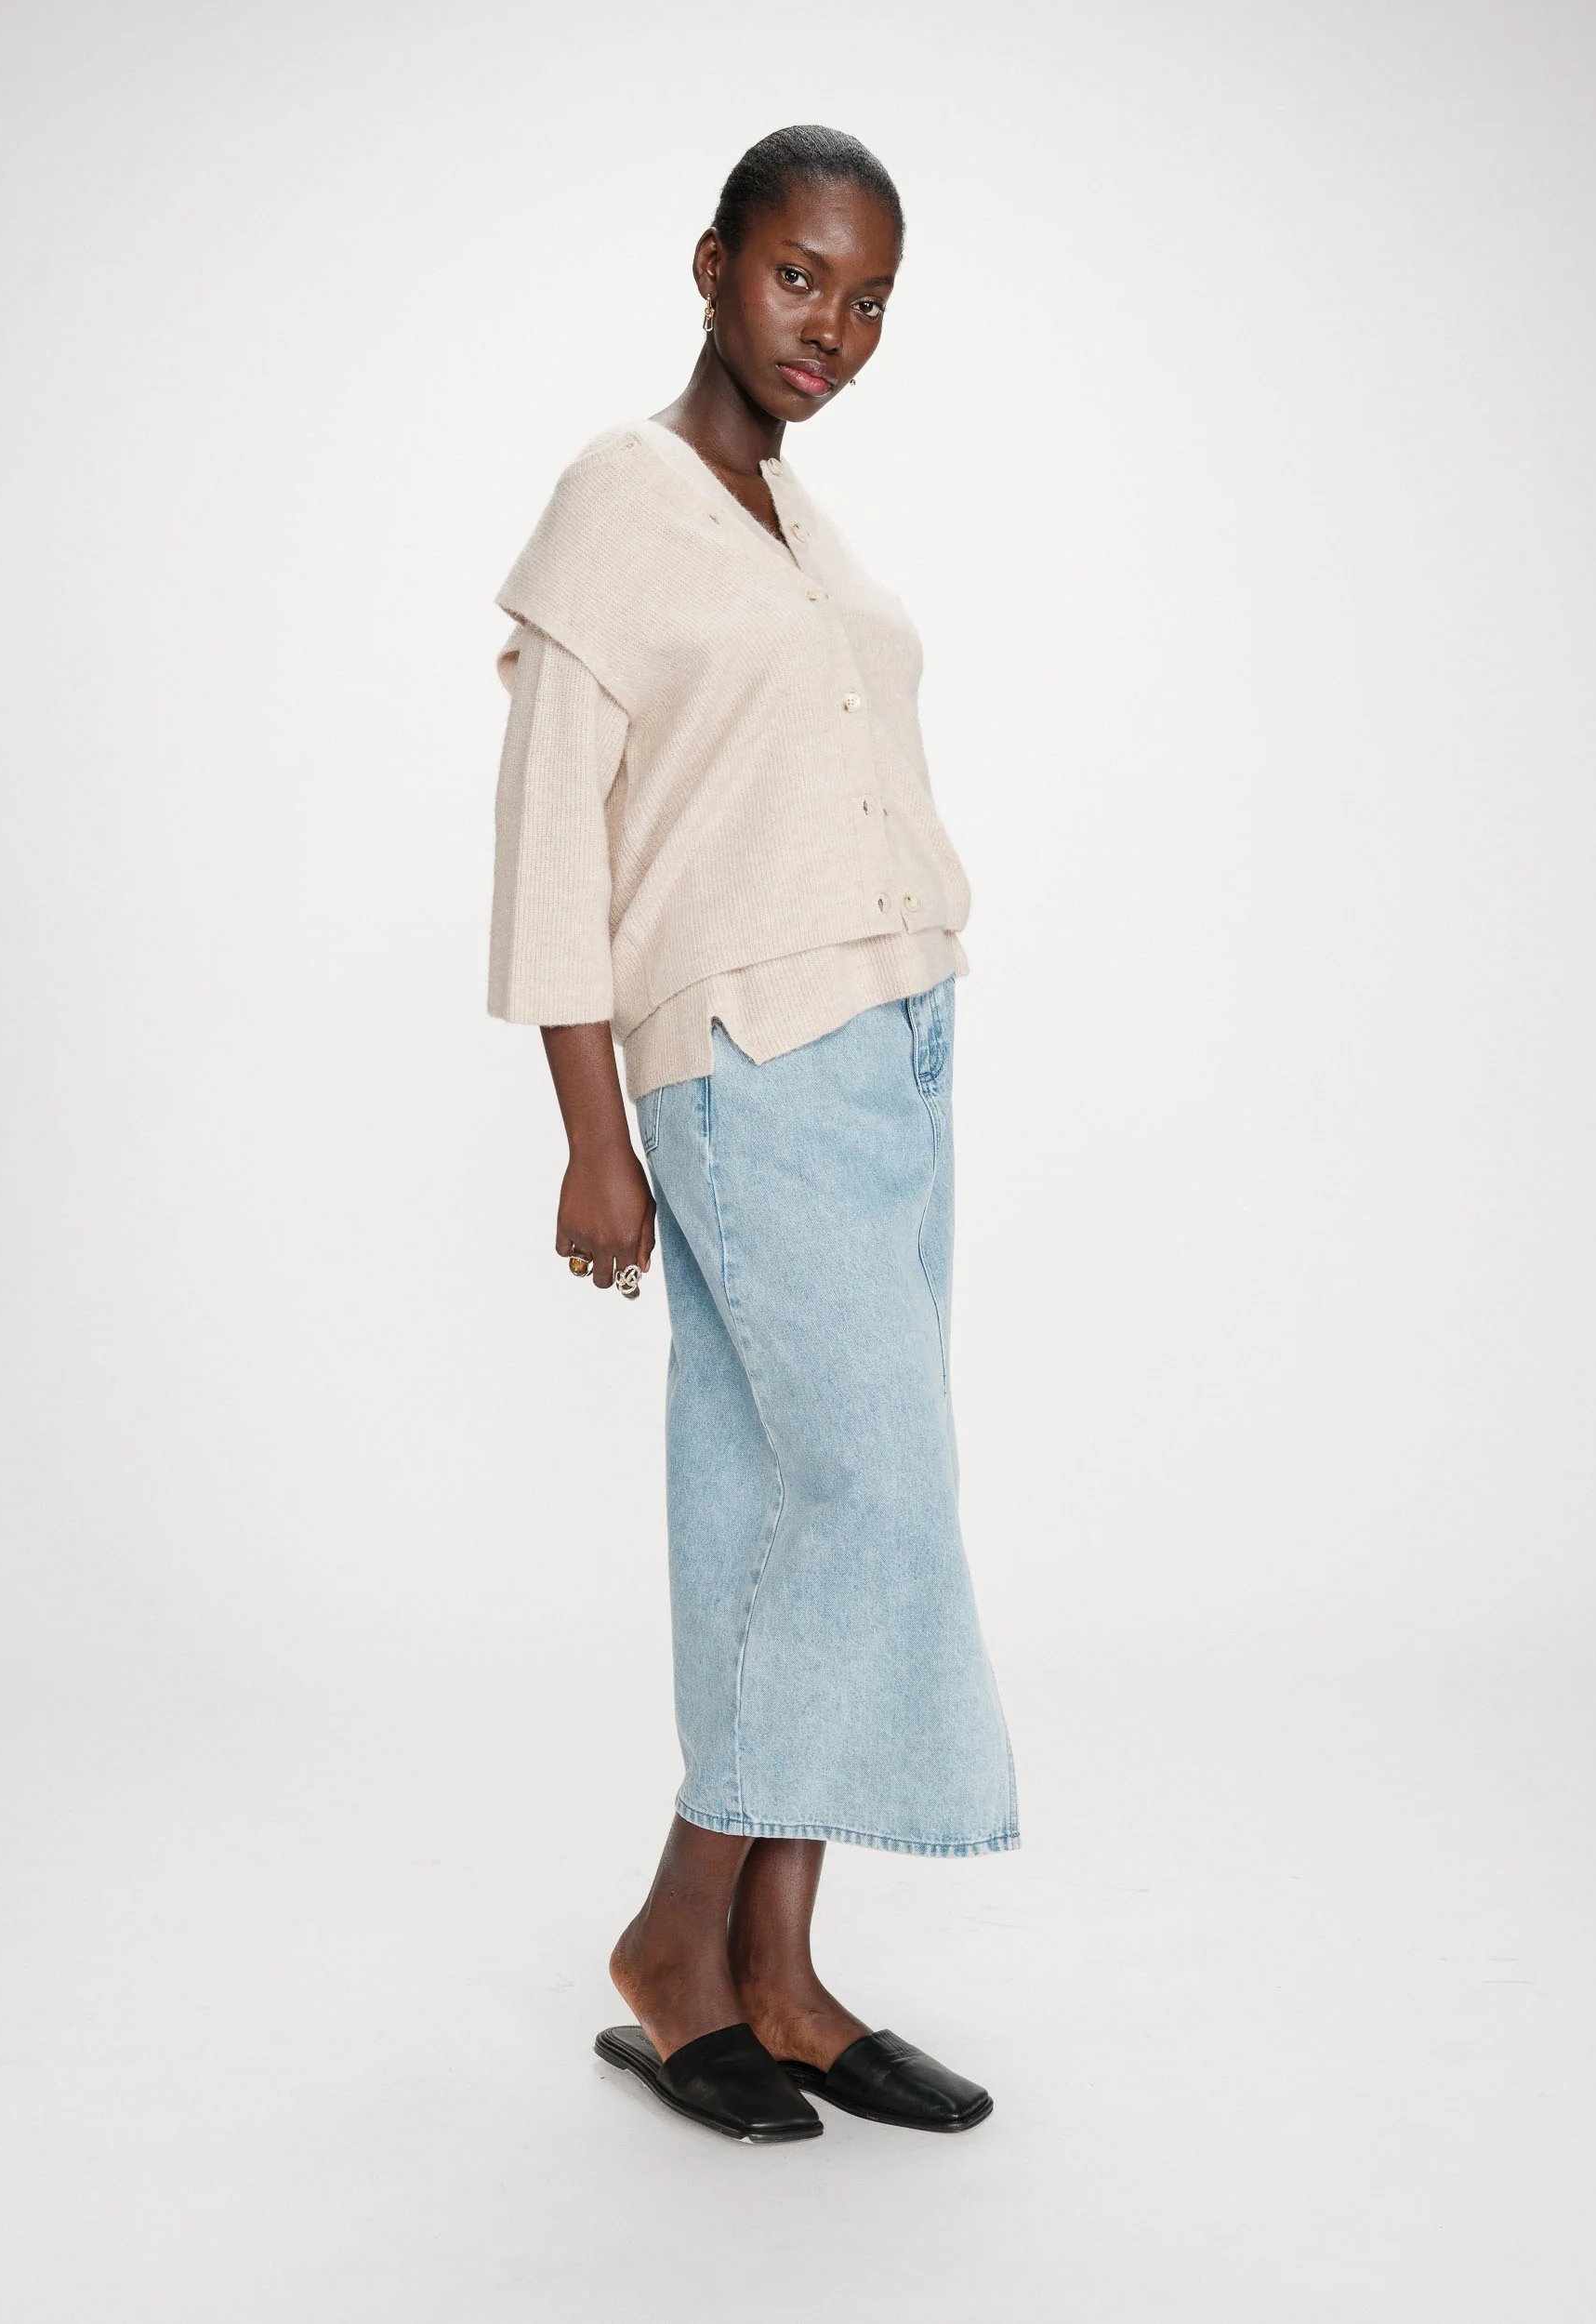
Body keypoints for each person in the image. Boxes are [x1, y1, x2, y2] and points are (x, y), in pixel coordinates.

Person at [486, 125, 1019, 2146]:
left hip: (898, 1043)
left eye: (869, 301)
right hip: (740, 1054)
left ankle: (774, 1977)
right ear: (711, 261)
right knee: (871, 1491)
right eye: (802, 278)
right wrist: (591, 1134)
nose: (832, 330)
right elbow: (552, 834)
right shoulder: (620, 499)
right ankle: (674, 1932)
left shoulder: (802, 519)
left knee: (772, 1500)